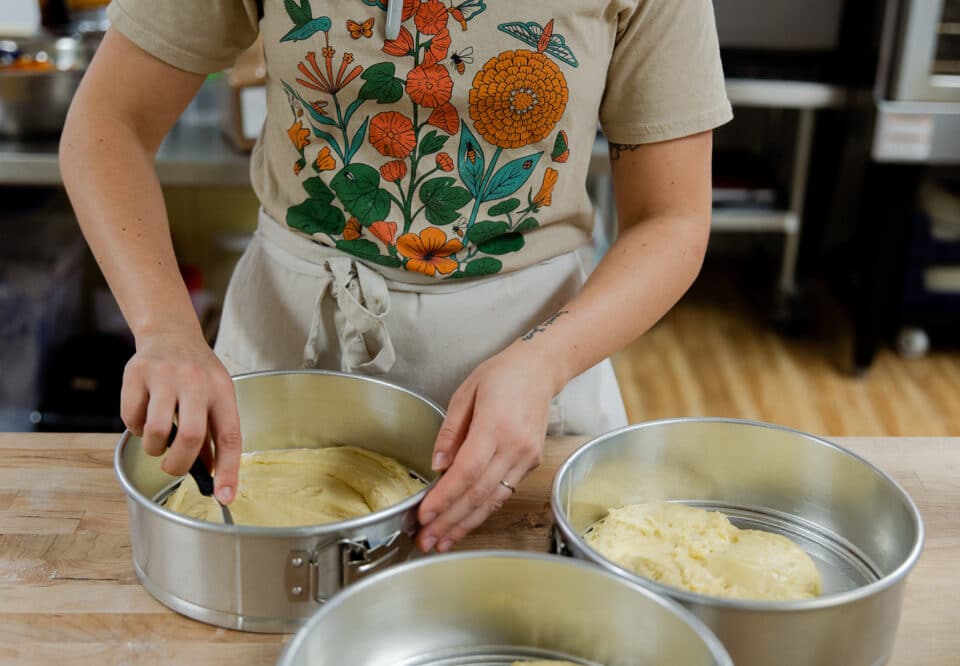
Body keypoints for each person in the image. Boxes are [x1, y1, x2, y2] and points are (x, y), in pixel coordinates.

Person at [61, 0, 731, 553]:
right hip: (292, 349)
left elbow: (670, 220)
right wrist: (166, 331)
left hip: (535, 369)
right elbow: (107, 125)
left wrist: (546, 361)